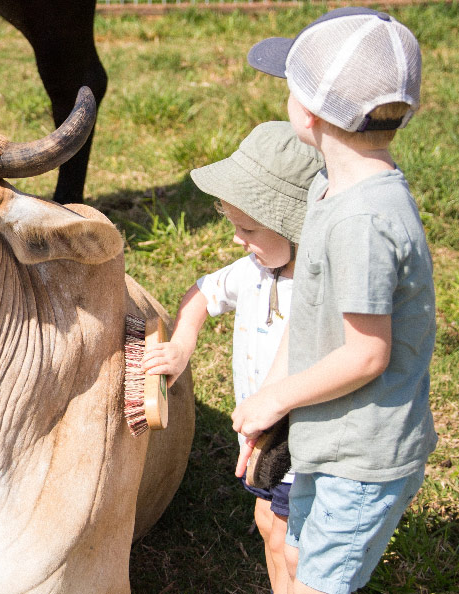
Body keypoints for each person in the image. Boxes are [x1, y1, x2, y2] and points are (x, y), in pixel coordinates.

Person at [232, 7, 437, 594]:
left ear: (311, 112)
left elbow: (366, 356)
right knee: (297, 564)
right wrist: (268, 405)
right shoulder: (329, 186)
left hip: (363, 458)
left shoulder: (366, 221)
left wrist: (278, 399)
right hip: (325, 435)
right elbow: (309, 310)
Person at [142, 120, 323, 594]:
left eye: (249, 228)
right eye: (234, 225)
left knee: (293, 539)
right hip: (260, 437)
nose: (237, 239)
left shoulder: (321, 285)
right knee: (268, 522)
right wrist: (182, 345)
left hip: (304, 440)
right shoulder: (253, 269)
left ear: (294, 226)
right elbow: (201, 295)